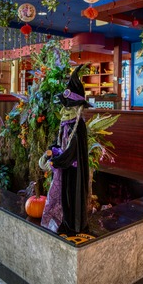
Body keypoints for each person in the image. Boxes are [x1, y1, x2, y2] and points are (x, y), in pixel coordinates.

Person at [39, 64, 91, 234]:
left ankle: (71, 226)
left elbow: (70, 153)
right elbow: (57, 144)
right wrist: (49, 152)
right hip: (64, 170)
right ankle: (61, 223)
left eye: (68, 107)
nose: (63, 110)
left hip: (73, 173)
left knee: (71, 200)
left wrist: (55, 161)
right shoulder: (66, 125)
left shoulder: (78, 127)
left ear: (77, 108)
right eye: (64, 106)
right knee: (61, 198)